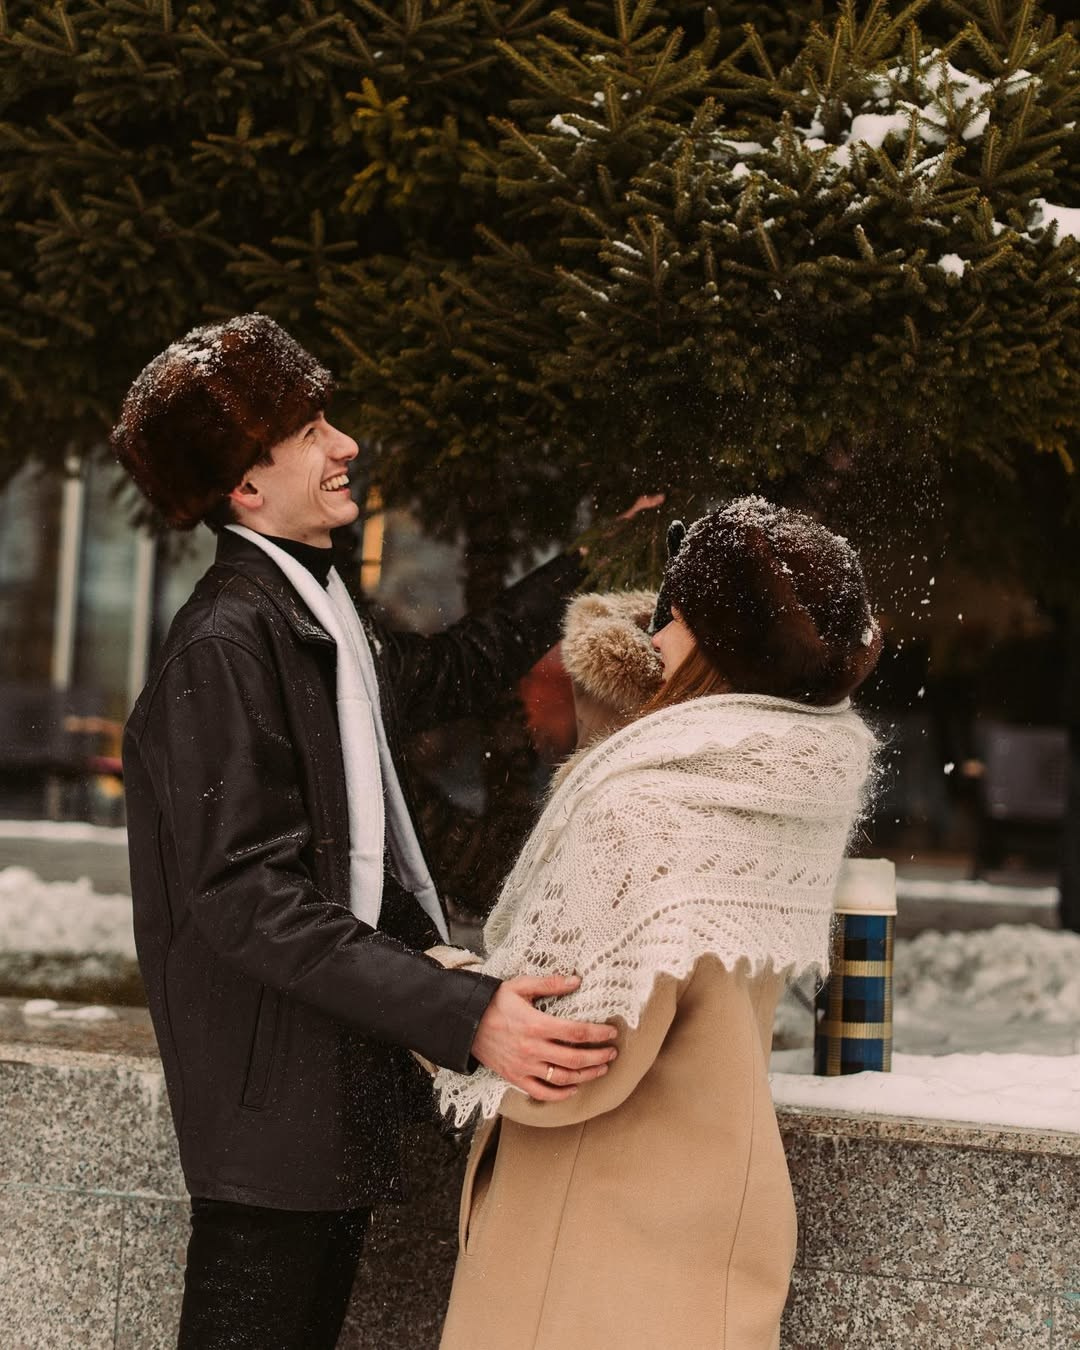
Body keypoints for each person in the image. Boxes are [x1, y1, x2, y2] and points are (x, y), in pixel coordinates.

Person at [112, 313, 625, 1350]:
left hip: (321, 1096)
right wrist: (461, 1011)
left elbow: (446, 674)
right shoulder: (226, 643)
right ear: (245, 485)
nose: (344, 444)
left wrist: (588, 560)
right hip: (271, 1113)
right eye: (309, 432)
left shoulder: (315, 613)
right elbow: (246, 898)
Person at [433, 496, 882, 1350]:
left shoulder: (644, 811)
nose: (653, 637)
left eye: (671, 618)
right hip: (712, 1244)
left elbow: (563, 1072)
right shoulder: (791, 785)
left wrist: (436, 987)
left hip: (587, 1265)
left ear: (715, 640)